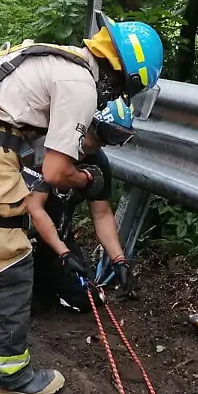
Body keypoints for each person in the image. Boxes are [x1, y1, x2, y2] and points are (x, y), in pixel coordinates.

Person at [0, 17, 163, 394]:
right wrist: (85, 180)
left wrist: (119, 258)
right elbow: (57, 172)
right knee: (5, 256)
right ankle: (4, 374)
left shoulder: (57, 60)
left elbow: (99, 211)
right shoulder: (80, 85)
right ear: (122, 75)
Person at [24, 97, 138, 314]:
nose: (102, 144)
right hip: (24, 232)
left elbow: (102, 214)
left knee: (86, 300)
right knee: (29, 305)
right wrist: (64, 253)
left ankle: (47, 277)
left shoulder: (97, 160)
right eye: (100, 136)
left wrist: (119, 260)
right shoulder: (45, 149)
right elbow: (35, 209)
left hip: (57, 237)